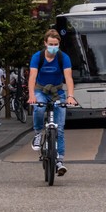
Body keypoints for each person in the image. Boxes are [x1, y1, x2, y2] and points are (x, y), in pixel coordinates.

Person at [27, 29, 78, 177]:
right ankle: (37, 134)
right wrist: (32, 96)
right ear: (45, 43)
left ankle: (60, 161)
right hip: (41, 91)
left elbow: (68, 78)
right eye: (51, 44)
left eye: (56, 44)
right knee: (39, 108)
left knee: (60, 129)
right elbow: (32, 77)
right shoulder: (38, 57)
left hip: (57, 92)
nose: (53, 47)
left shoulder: (64, 58)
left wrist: (70, 96)